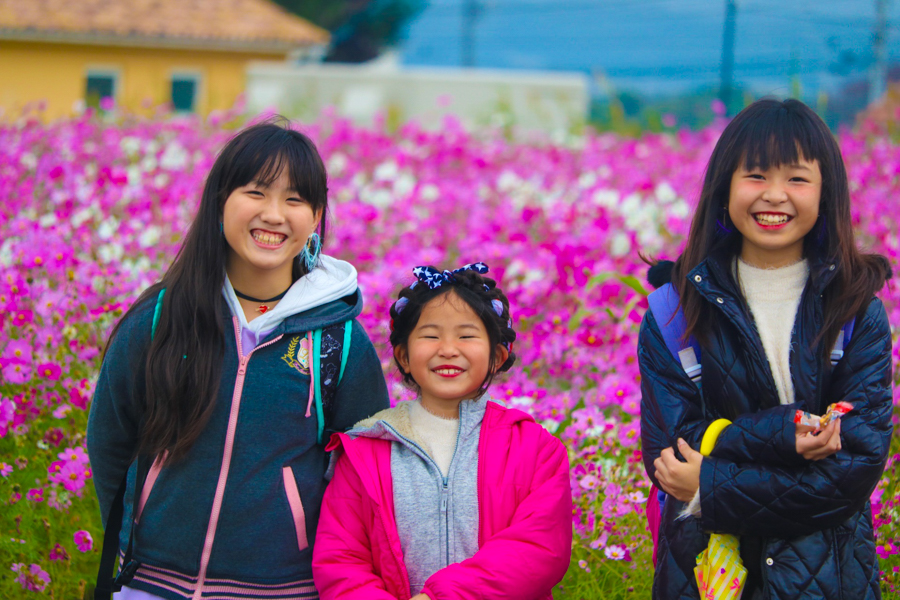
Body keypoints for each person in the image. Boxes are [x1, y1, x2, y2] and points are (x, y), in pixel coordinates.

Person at [87, 120, 390, 600]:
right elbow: (109, 440)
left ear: (316, 218)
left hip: (281, 590)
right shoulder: (160, 318)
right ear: (219, 201)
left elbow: (366, 477)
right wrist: (135, 532)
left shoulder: (337, 340)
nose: (274, 215)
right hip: (150, 584)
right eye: (256, 192)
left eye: (295, 200)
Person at [639, 98, 893, 600]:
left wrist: (708, 486)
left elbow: (853, 469)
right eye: (755, 176)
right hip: (707, 576)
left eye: (797, 179)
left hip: (829, 578)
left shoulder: (855, 310)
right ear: (724, 187)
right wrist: (791, 438)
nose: (774, 196)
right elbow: (670, 458)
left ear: (827, 194)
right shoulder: (673, 312)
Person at [312, 263, 572, 600]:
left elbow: (538, 549)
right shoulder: (365, 449)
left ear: (497, 355)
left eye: (466, 335)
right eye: (431, 335)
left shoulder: (534, 448)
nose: (447, 349)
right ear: (403, 356)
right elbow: (341, 561)